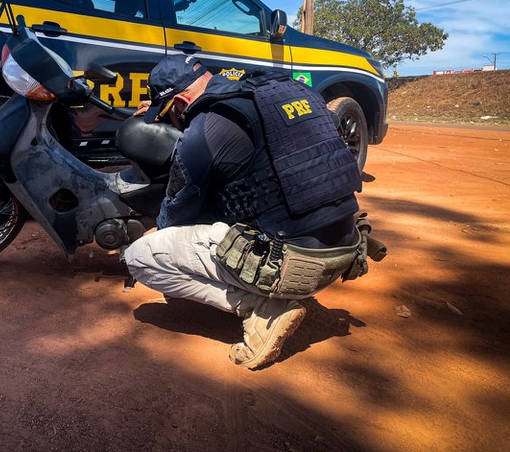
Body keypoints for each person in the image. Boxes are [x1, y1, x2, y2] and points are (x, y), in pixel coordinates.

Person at [123, 55, 379, 370]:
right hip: (347, 250)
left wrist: (159, 227)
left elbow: (177, 215)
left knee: (140, 257)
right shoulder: (284, 90)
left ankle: (262, 308)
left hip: (296, 267)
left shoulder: (204, 130)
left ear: (179, 103)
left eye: (168, 115)